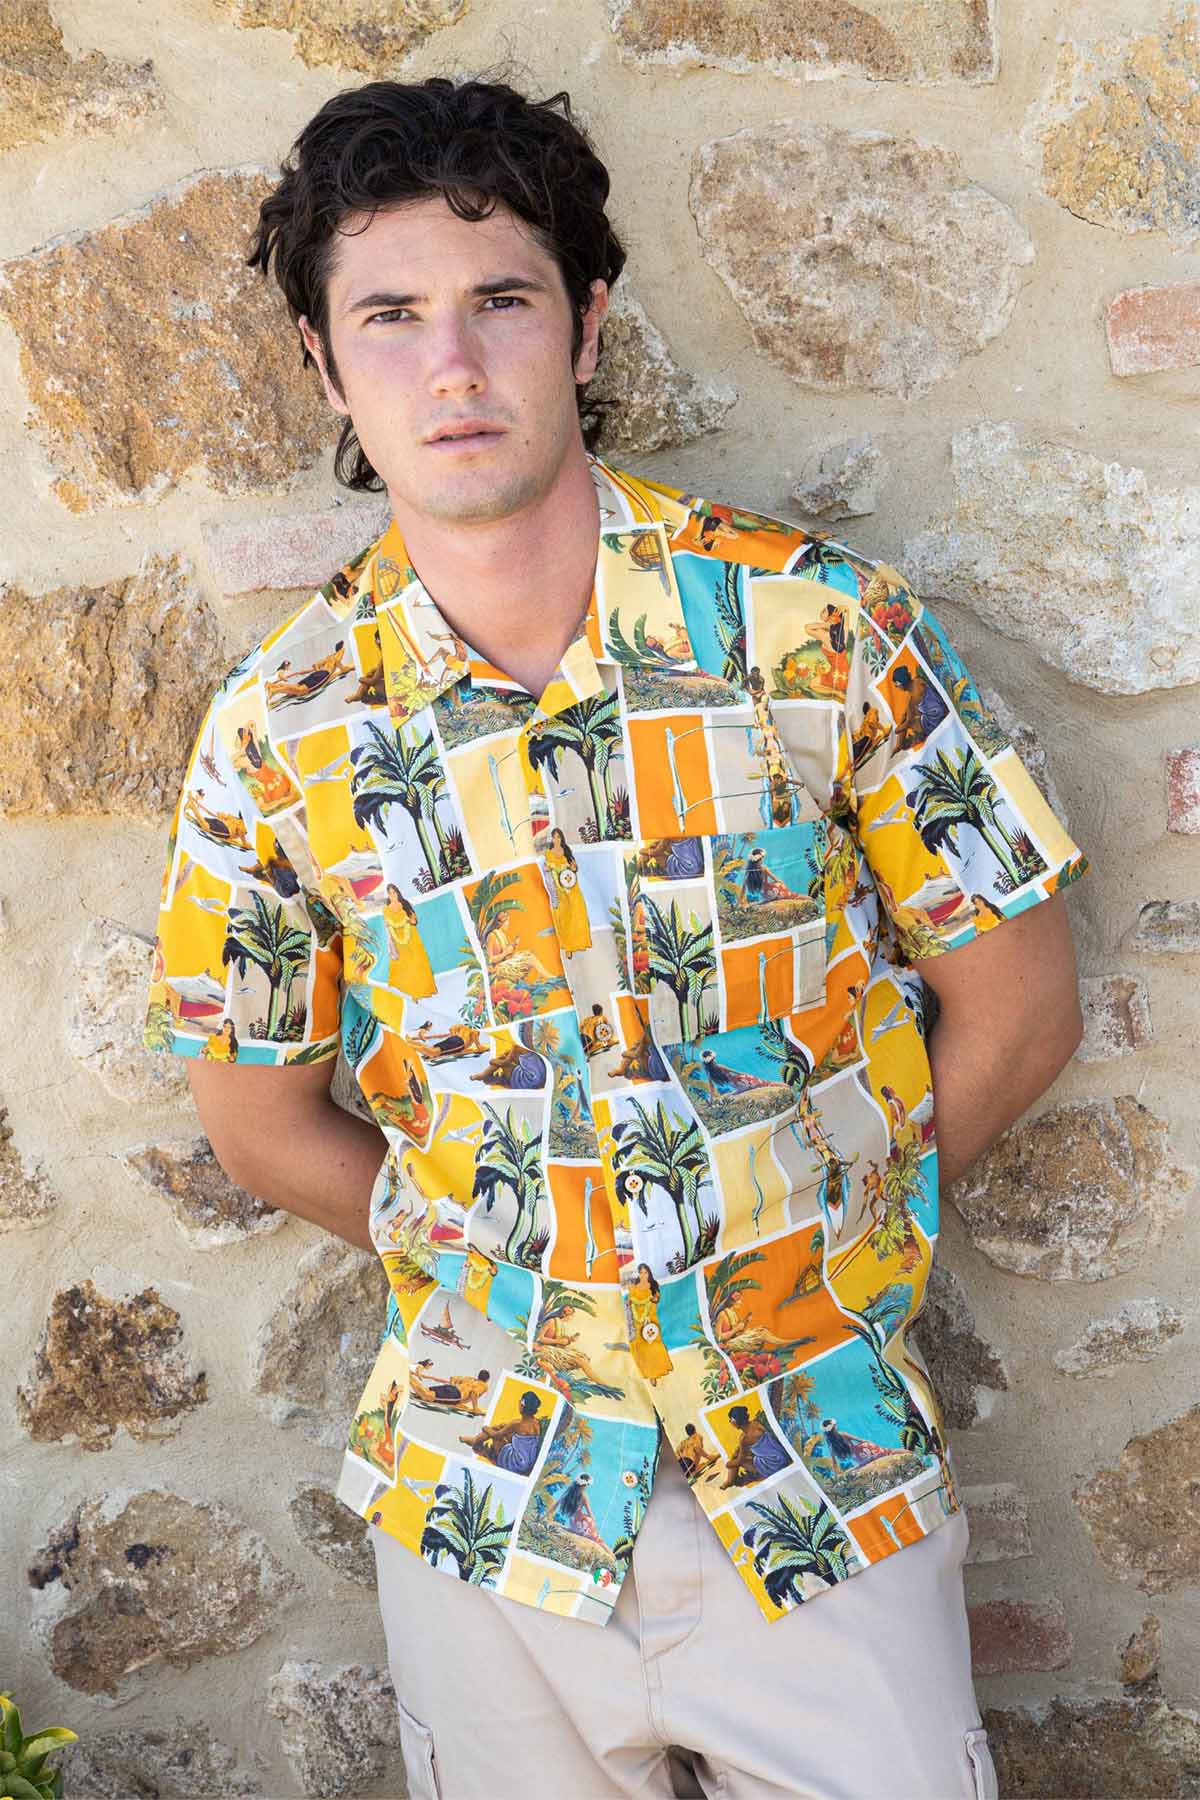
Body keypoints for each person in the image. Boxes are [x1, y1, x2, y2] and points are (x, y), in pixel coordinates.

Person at [147, 75, 1087, 1800]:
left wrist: (811, 1233)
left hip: (820, 1469)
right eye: (390, 316)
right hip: (486, 1499)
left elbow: (1019, 1011)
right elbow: (257, 1118)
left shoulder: (820, 626)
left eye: (500, 300)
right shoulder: (281, 729)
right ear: (324, 364)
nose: (452, 365)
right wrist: (504, 1258)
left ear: (584, 325)